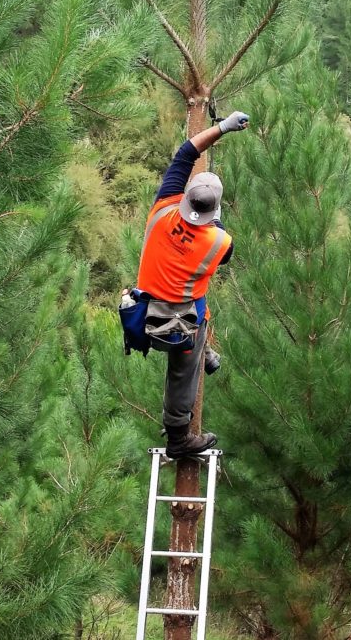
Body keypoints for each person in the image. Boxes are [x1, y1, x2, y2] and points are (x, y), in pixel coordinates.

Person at [136, 111, 249, 458]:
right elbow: (223, 250)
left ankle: (208, 354)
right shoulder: (218, 243)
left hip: (141, 312)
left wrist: (221, 127)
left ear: (185, 200)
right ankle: (178, 437)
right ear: (214, 212)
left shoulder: (162, 209)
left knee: (196, 303)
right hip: (174, 328)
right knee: (183, 369)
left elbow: (185, 154)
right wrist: (215, 223)